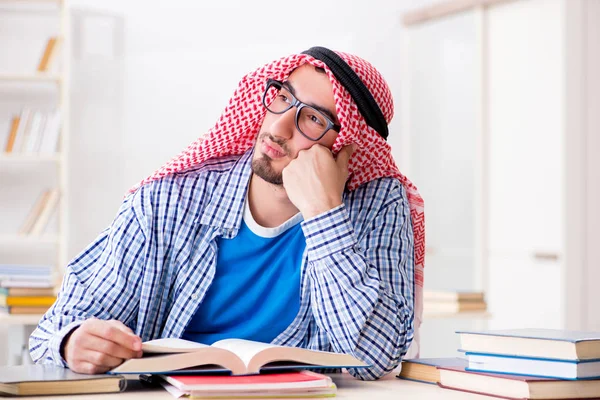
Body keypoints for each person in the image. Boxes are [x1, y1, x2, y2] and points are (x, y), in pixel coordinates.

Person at [29, 46, 425, 380]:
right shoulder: (168, 202)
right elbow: (50, 332)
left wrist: (324, 214)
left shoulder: (378, 205)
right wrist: (73, 342)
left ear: (348, 148)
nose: (279, 127)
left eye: (314, 118)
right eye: (284, 98)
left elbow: (376, 357)